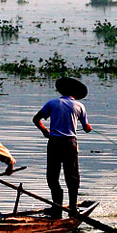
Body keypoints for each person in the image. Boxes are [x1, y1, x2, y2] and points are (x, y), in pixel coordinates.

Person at [32, 77, 92, 219]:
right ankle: (72, 208)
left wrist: (44, 131)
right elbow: (86, 127)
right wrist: (88, 128)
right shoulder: (79, 106)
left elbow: (36, 119)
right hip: (70, 143)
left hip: (54, 143)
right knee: (72, 176)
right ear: (75, 94)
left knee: (52, 176)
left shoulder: (52, 103)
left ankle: (57, 208)